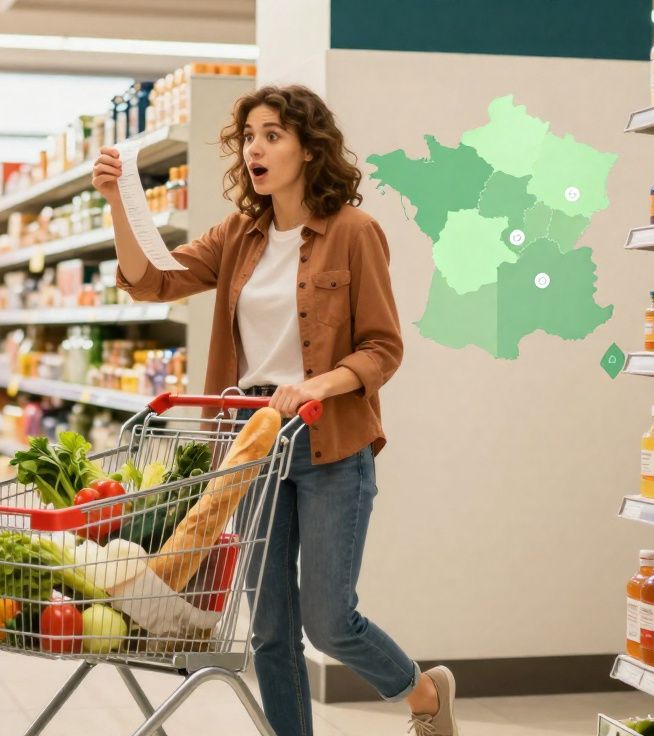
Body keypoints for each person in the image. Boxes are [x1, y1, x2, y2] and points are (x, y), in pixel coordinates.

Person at [92, 85, 457, 736]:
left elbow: (383, 348)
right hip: (253, 447)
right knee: (269, 631)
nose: (254, 148)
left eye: (271, 135)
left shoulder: (354, 233)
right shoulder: (238, 234)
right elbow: (154, 280)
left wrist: (319, 387)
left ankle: (423, 693)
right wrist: (119, 201)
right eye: (249, 137)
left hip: (331, 447)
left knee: (329, 621)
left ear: (308, 150)